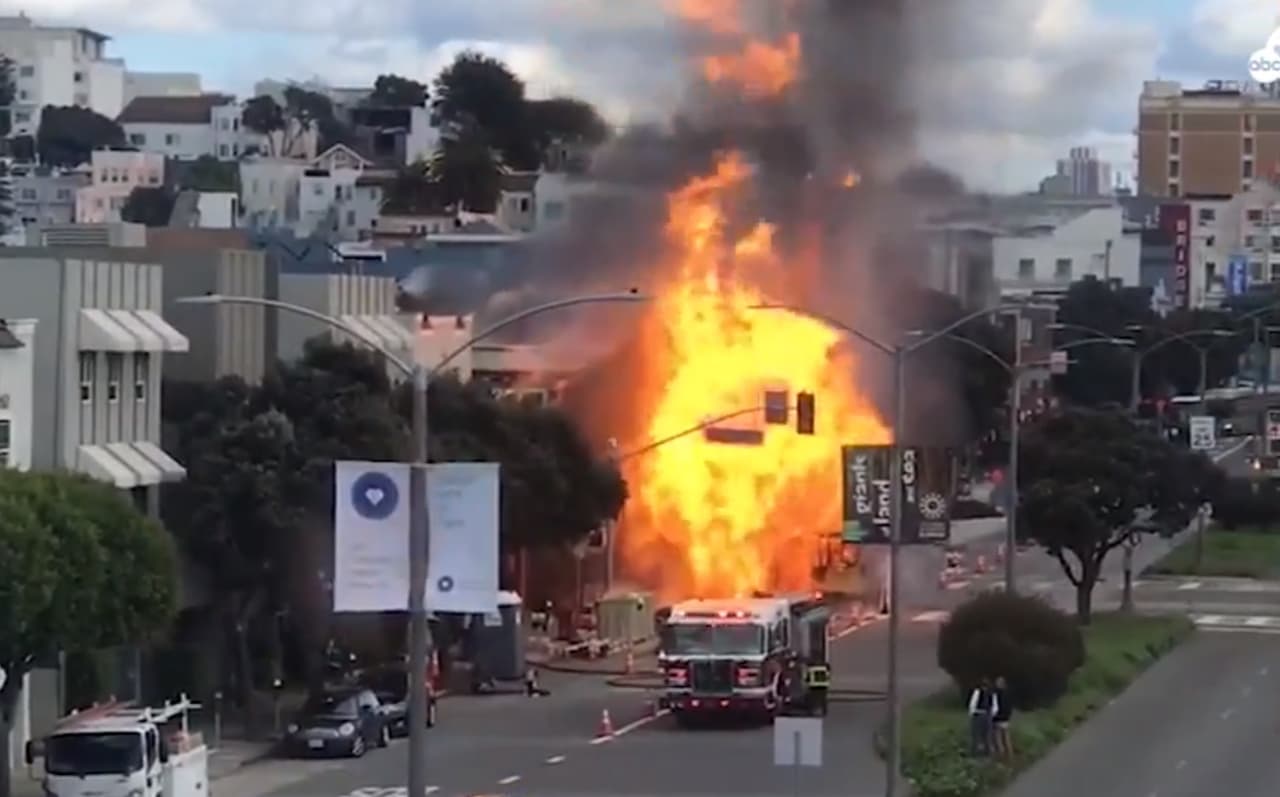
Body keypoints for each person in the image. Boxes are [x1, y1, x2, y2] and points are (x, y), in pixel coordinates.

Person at [967, 677, 998, 757]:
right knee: (987, 736)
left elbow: (973, 704)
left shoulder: (977, 692)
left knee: (976, 735)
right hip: (988, 715)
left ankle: (975, 753)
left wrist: (972, 713)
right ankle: (987, 753)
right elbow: (995, 707)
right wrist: (991, 715)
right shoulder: (992, 693)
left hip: (978, 714)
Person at [992, 676, 1013, 760]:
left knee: (998, 738)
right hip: (1006, 718)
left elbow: (995, 706)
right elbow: (1010, 706)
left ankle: (1002, 754)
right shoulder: (1008, 694)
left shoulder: (996, 694)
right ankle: (1010, 755)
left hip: (998, 718)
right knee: (1007, 737)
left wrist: (994, 716)